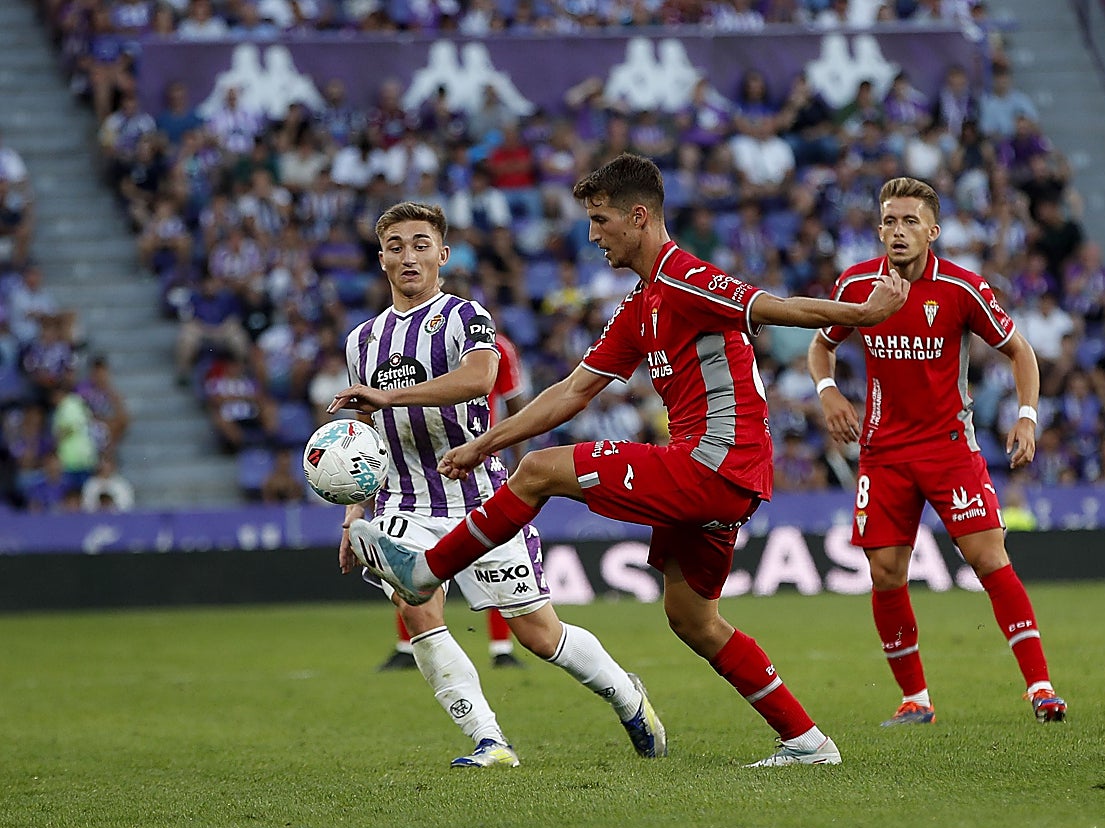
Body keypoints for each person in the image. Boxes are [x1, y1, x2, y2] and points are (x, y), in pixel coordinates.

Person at [333, 154, 910, 767]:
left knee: (541, 471)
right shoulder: (641, 304)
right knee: (692, 618)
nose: (592, 233)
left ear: (639, 218)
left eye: (601, 219)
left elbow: (773, 306)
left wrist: (861, 315)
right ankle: (808, 742)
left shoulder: (685, 276)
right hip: (713, 474)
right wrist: (484, 444)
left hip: (715, 463)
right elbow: (572, 391)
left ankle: (426, 571)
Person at [331, 200, 665, 768]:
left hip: (483, 500)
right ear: (381, 259)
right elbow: (365, 440)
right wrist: (352, 517)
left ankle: (626, 695)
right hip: (404, 502)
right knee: (417, 610)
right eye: (395, 246)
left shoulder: (464, 317)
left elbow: (479, 377)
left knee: (539, 635)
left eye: (420, 244)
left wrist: (389, 395)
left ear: (443, 254)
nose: (408, 256)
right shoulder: (361, 340)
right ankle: (490, 740)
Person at [806, 175, 1068, 728]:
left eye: (909, 221)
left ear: (933, 230)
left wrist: (1026, 416)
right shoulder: (856, 286)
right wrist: (828, 392)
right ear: (878, 228)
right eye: (889, 221)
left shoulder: (962, 288)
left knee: (989, 559)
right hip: (883, 453)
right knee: (885, 574)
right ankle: (915, 700)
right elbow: (820, 346)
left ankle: (1041, 689)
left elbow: (1021, 352)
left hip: (950, 448)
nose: (898, 231)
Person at [378, 327, 529, 672]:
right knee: (408, 555)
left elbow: (515, 401)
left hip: (474, 465)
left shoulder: (496, 346)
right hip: (417, 468)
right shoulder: (408, 346)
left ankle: (501, 647)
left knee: (489, 553)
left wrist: (517, 460)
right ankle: (407, 646)